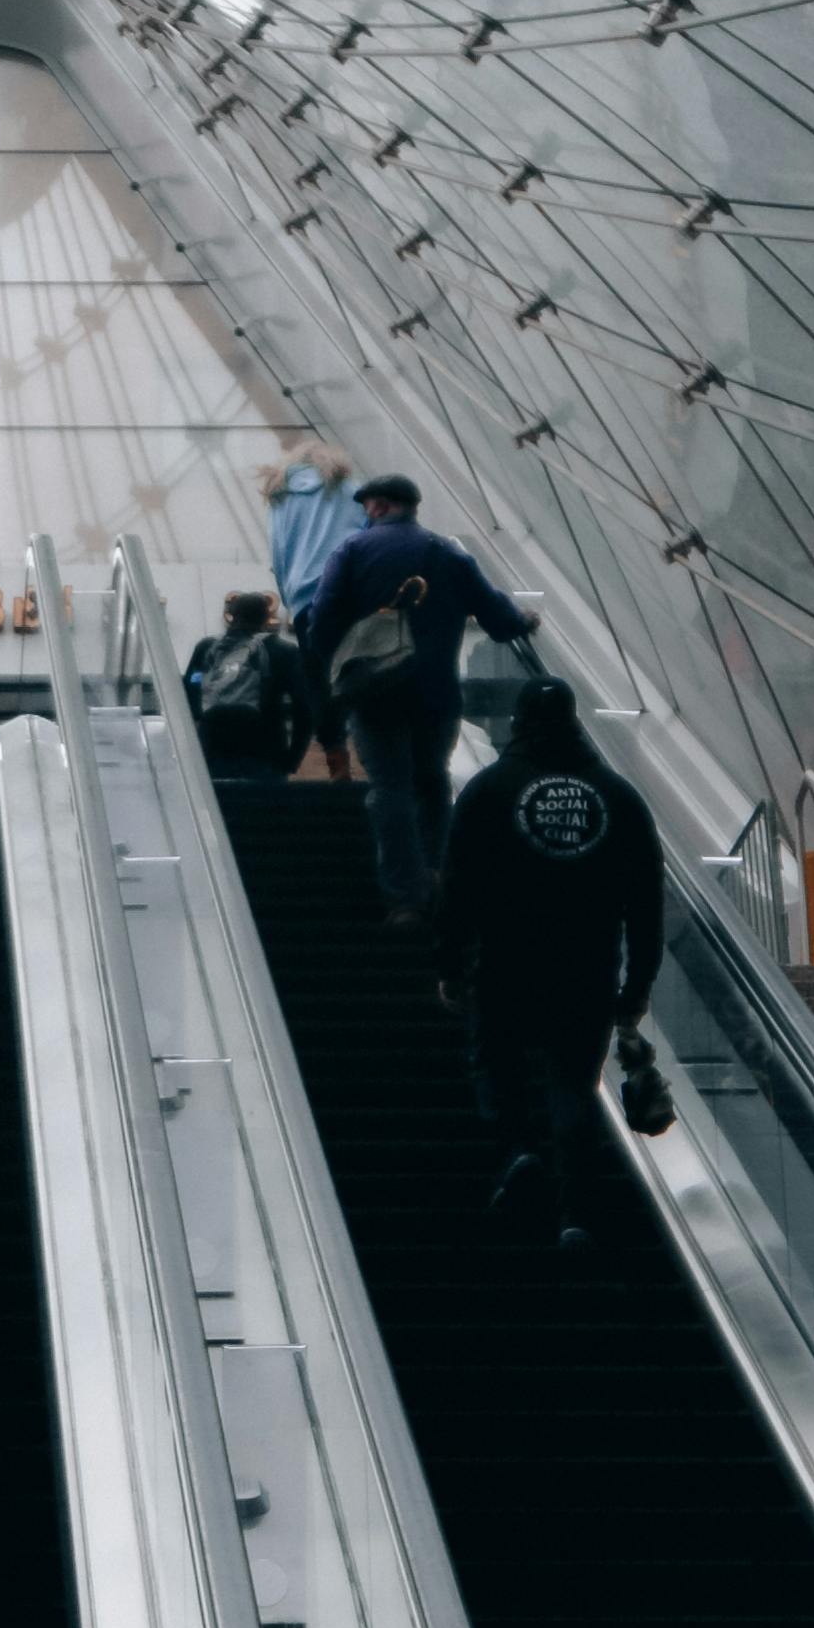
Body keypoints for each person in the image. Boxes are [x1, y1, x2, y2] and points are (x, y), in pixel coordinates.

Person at [435, 675, 664, 1251]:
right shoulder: (618, 796)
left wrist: (449, 962)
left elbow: (457, 885)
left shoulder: (489, 789)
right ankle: (576, 1216)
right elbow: (646, 901)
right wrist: (637, 984)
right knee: (572, 1085)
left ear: (517, 724)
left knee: (499, 1066)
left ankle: (519, 1154)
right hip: (587, 969)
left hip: (505, 962)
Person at [300, 474, 534, 920]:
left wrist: (338, 662)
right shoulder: (447, 553)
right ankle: (438, 874)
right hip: (436, 694)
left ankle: (405, 896)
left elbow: (322, 620)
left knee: (390, 788)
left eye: (368, 507)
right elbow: (496, 616)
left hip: (374, 694)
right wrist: (522, 622)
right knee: (432, 782)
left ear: (379, 507)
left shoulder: (351, 551)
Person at [184, 589, 313, 779]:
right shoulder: (283, 651)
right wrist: (293, 757)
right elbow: (303, 707)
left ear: (232, 615)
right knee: (264, 807)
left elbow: (189, 690)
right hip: (265, 750)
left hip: (213, 748)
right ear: (267, 617)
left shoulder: (206, 648)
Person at [256, 446, 355, 625]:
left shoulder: (280, 496)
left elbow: (279, 550)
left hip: (299, 597)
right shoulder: (351, 491)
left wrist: (288, 596)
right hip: (341, 589)